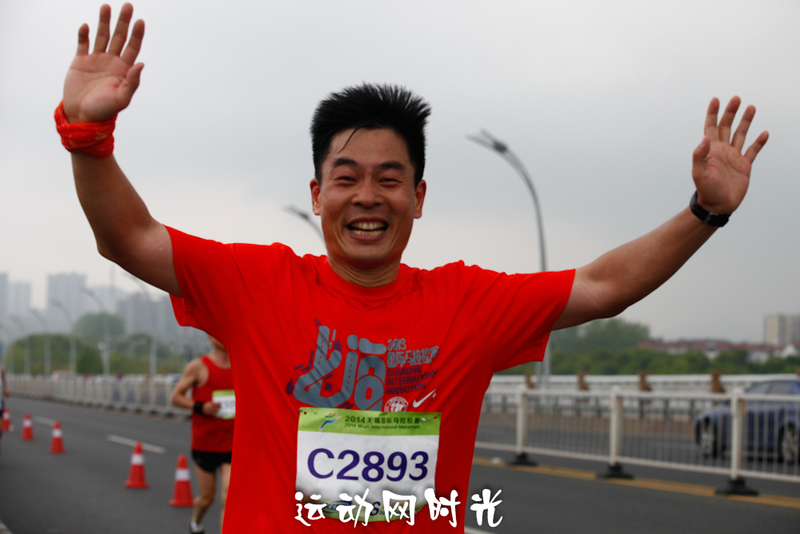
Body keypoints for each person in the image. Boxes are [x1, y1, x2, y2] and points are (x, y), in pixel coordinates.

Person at [56, 4, 768, 532]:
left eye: (389, 178)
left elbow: (605, 287)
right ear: (317, 195)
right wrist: (87, 135)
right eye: (346, 177)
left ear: (419, 197)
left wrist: (704, 213)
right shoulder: (259, 284)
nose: (368, 196)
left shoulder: (468, 302)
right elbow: (130, 239)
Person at [170, 336, 234, 534]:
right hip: (205, 442)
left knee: (228, 498)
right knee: (207, 499)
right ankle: (196, 521)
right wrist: (200, 406)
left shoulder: (241, 366)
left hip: (234, 443)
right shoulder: (198, 366)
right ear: (209, 337)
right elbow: (176, 397)